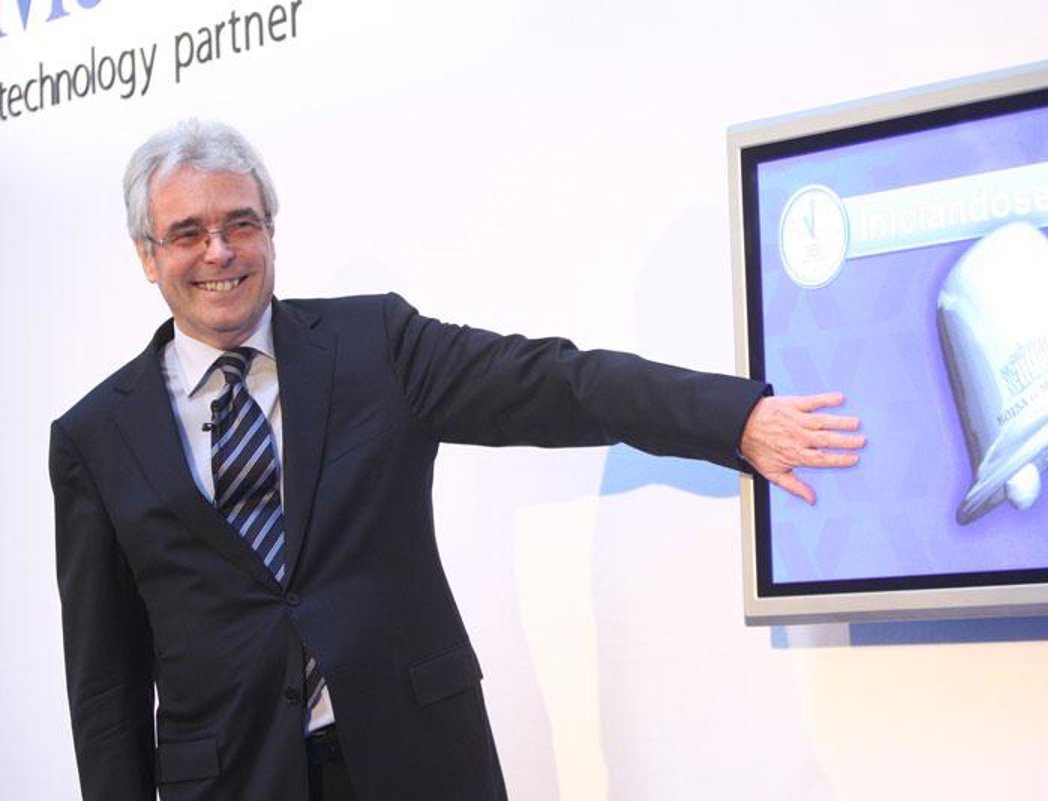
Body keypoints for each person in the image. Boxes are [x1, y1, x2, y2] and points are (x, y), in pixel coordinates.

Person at [49, 119, 865, 801]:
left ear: (270, 230)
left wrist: (734, 418)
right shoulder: (95, 437)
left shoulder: (373, 345)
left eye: (241, 224)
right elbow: (105, 688)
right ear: (147, 254)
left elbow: (552, 381)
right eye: (188, 233)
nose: (220, 251)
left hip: (421, 759)